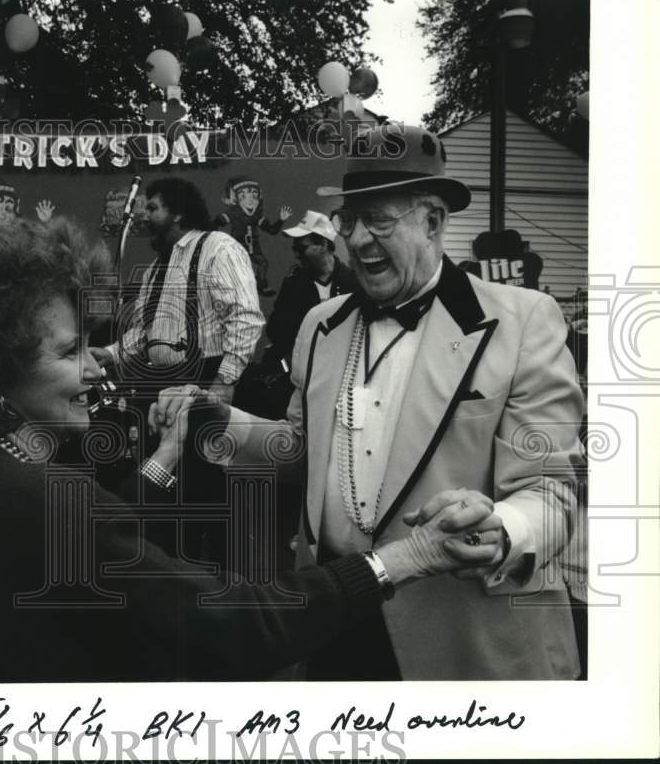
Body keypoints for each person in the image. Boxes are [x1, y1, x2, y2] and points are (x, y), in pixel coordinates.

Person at [0, 217, 499, 682]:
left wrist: (173, 450)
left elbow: (99, 535)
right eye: (68, 352)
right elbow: (234, 620)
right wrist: (407, 557)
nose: (96, 369)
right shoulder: (36, 496)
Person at [154, 124, 585, 680]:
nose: (356, 240)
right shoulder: (319, 326)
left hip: (463, 645)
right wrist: (214, 418)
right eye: (349, 220)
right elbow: (301, 451)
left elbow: (551, 491)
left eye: (380, 220)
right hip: (336, 613)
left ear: (434, 222)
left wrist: (504, 527)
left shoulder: (524, 321)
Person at [90, 177, 264, 406]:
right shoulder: (154, 269)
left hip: (209, 379)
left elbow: (245, 317)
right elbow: (144, 331)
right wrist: (111, 354)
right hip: (166, 383)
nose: (144, 216)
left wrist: (225, 380)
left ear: (178, 214)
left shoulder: (218, 247)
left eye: (152, 208)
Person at [264, 210, 360, 371]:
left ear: (323, 245)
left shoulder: (353, 282)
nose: (296, 254)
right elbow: (275, 331)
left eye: (301, 248)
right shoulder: (293, 284)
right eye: (294, 248)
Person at [213, 175, 291, 296]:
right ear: (235, 199)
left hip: (254, 248)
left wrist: (281, 220)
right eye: (243, 196)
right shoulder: (234, 214)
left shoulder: (257, 216)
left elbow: (271, 230)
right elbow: (217, 222)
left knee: (262, 264)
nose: (250, 200)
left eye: (254, 195)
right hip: (238, 248)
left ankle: (260, 286)